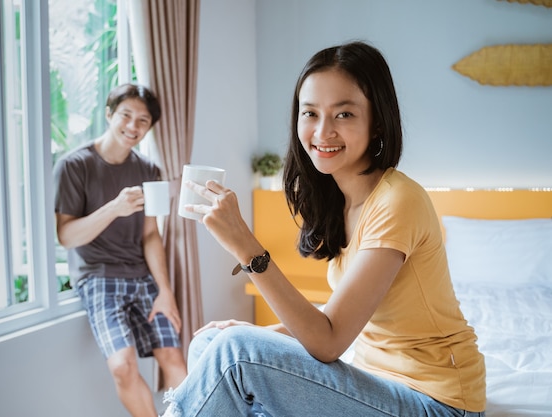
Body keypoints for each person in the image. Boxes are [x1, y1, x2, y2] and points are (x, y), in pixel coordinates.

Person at [162, 41, 486, 416]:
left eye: (344, 114)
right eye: (310, 113)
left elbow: (329, 342)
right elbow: (339, 314)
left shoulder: (398, 201)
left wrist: (246, 247)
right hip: (376, 383)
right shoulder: (342, 200)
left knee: (233, 353)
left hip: (437, 403)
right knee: (210, 345)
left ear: (377, 120)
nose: (322, 131)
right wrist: (259, 334)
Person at [54, 83, 187, 417]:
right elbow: (67, 236)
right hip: (98, 279)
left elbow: (151, 236)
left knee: (173, 358)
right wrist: (114, 208)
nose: (133, 126)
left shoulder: (149, 171)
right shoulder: (74, 166)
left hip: (143, 277)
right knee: (122, 366)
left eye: (143, 121)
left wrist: (166, 292)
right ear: (109, 114)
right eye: (126, 115)